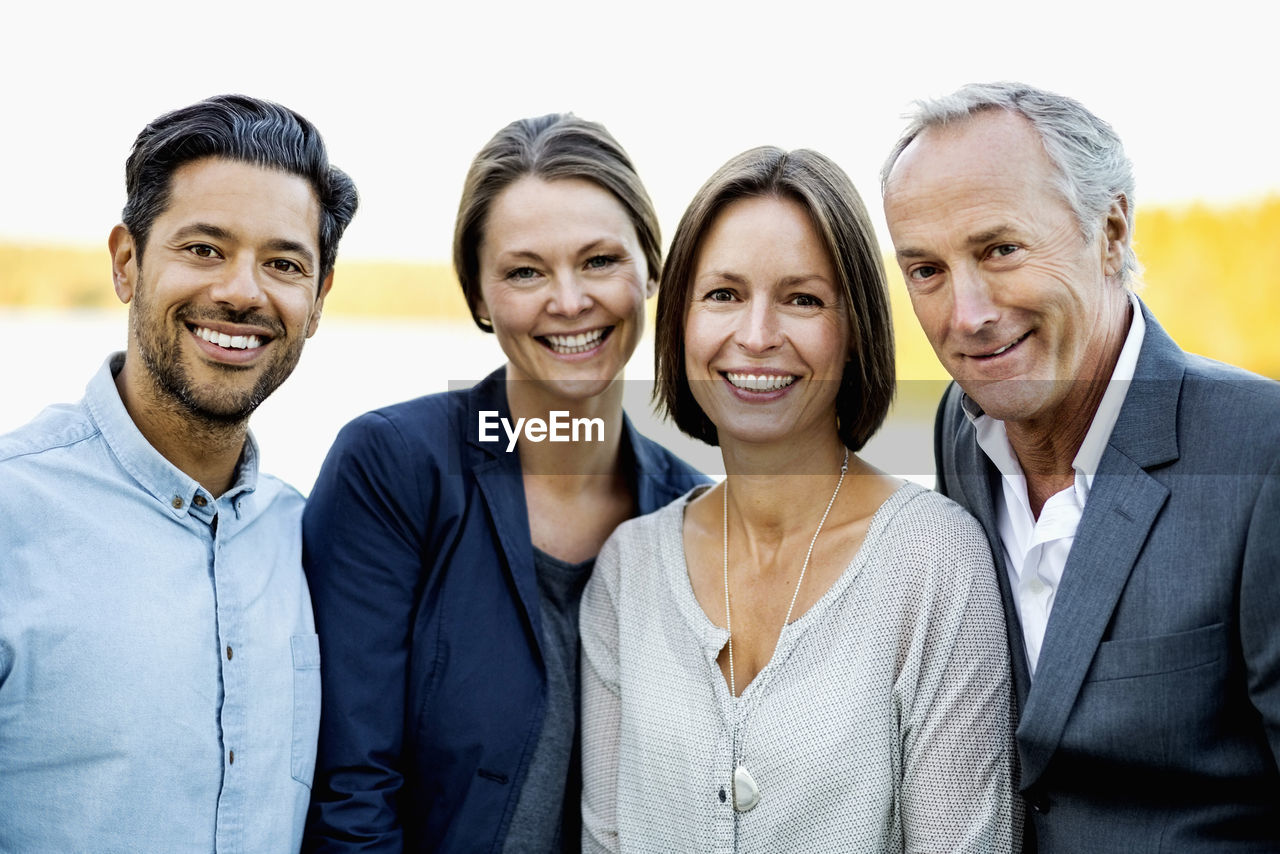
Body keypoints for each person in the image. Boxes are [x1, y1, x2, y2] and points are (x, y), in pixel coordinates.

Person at [880, 81, 1280, 852]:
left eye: (1000, 250)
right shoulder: (962, 438)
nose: (966, 315)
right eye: (926, 270)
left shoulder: (1258, 458)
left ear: (1111, 230)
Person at [580, 146, 1015, 852]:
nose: (756, 336)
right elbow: (604, 840)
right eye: (723, 294)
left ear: (854, 332)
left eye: (802, 299)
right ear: (680, 324)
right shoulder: (627, 572)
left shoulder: (933, 560)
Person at [302, 113, 705, 853]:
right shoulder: (392, 467)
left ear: (650, 269)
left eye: (600, 260)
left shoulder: (694, 513)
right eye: (525, 271)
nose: (569, 299)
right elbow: (348, 791)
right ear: (480, 297)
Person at [0, 95, 357, 853]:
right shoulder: (11, 510)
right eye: (203, 249)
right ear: (128, 263)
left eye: (284, 263)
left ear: (319, 299)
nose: (241, 291)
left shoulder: (312, 538)